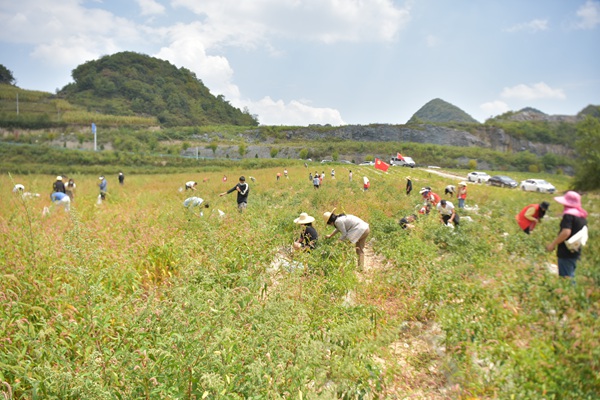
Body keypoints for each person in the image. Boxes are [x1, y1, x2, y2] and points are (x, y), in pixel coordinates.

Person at [546, 191, 588, 279]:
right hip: (575, 250)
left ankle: (569, 293)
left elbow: (566, 232)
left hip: (565, 252)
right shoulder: (582, 217)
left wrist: (552, 245)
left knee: (566, 279)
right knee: (570, 275)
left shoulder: (568, 216)